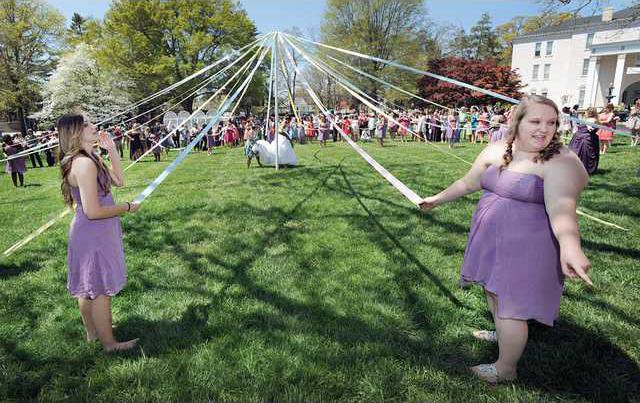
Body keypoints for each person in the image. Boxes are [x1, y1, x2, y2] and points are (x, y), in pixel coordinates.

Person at [420, 95, 592, 383]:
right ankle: (503, 334)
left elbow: (562, 208)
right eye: (535, 121)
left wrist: (570, 246)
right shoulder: (499, 147)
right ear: (517, 122)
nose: (544, 129)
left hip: (525, 246)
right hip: (491, 239)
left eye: (551, 122)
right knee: (493, 292)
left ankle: (505, 368)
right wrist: (436, 199)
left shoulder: (559, 161)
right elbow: (469, 182)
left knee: (510, 306)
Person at [57, 112, 140, 352]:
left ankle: (93, 334)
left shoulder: (90, 157)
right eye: (86, 124)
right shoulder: (83, 163)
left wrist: (111, 150)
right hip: (93, 233)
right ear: (75, 133)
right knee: (99, 289)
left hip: (96, 231)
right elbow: (93, 211)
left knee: (88, 286)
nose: (93, 126)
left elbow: (119, 181)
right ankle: (109, 344)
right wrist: (126, 207)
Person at [569, 107, 600, 175]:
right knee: (583, 154)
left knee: (580, 153)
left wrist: (590, 128)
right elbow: (592, 129)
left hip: (583, 138)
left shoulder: (591, 120)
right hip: (584, 138)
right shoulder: (593, 119)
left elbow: (590, 128)